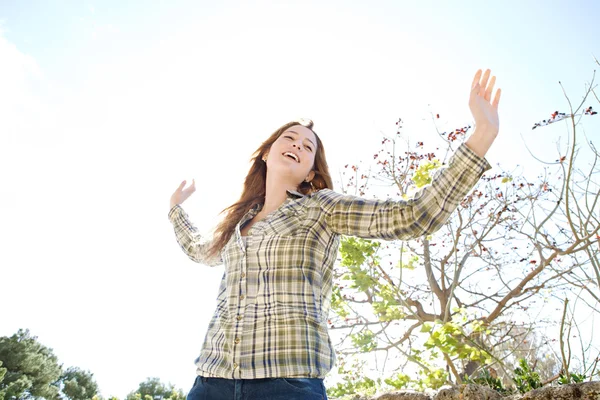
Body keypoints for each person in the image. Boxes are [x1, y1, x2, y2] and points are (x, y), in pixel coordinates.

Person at [169, 69, 501, 400]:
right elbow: (198, 250)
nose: (297, 144)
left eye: (307, 146)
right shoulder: (238, 225)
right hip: (210, 382)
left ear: (311, 171)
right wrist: (175, 209)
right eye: (290, 138)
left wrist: (482, 135)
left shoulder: (320, 207)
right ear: (267, 153)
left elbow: (414, 216)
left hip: (286, 385)